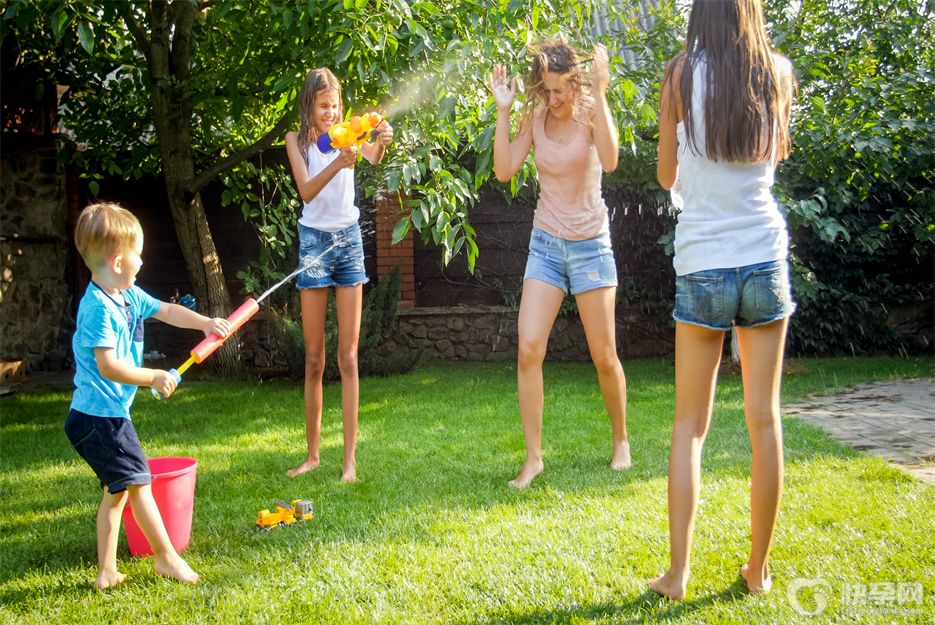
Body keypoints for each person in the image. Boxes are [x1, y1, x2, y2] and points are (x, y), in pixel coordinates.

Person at [649, 0, 797, 599]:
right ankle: (757, 572)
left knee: (689, 425)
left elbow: (664, 176)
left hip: (705, 260)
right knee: (764, 419)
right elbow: (775, 157)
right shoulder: (778, 72)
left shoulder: (681, 75)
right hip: (763, 255)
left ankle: (678, 574)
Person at [66, 202, 232, 589]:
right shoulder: (97, 309)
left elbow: (169, 311)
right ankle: (166, 558)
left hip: (102, 415)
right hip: (99, 419)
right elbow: (108, 367)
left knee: (117, 492)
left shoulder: (127, 296)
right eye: (137, 254)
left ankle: (106, 572)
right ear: (119, 260)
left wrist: (206, 323)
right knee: (139, 483)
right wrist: (153, 376)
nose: (142, 261)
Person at [488, 39, 631, 489]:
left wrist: (602, 92)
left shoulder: (590, 111)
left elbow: (610, 160)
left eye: (560, 89)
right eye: (546, 91)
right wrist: (503, 110)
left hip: (590, 245)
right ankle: (533, 459)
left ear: (574, 82)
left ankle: (621, 440)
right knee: (528, 347)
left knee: (604, 356)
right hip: (546, 243)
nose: (554, 99)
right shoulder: (535, 117)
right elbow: (505, 169)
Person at [284, 67, 393, 482]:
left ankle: (349, 462)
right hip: (313, 243)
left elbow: (372, 157)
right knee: (315, 359)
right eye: (324, 105)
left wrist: (379, 142)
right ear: (309, 105)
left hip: (348, 242)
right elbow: (307, 190)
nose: (331, 113)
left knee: (348, 356)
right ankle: (312, 456)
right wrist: (339, 163)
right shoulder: (297, 142)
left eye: (336, 105)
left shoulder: (350, 132)